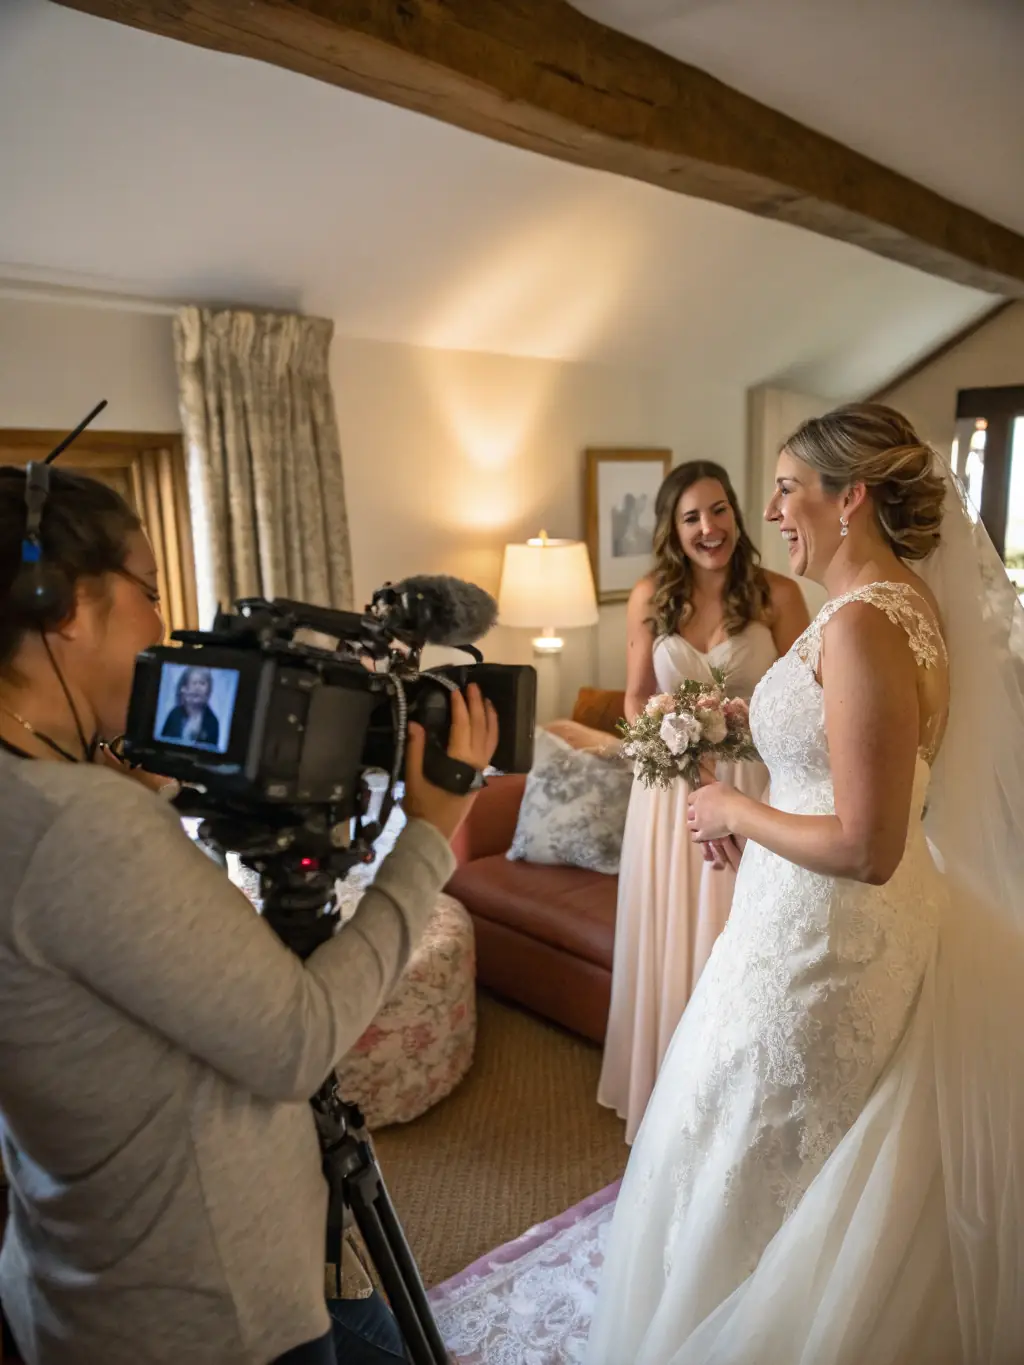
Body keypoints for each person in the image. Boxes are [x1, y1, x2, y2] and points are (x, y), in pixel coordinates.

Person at [0, 465, 498, 1365]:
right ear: (65, 605)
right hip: (199, 1301)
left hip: (80, 1263)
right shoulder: (82, 823)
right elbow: (300, 1039)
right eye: (148, 591)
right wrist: (430, 831)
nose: (162, 626)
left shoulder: (45, 790)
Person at [585, 404, 1024, 1364]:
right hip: (808, 921)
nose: (773, 509)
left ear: (849, 494)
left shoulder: (866, 622)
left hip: (829, 938)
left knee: (766, 1146)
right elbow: (857, 752)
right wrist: (753, 722)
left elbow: (871, 843)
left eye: (788, 486)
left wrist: (736, 812)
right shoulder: (886, 605)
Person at [597, 460, 808, 1142]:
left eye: (719, 510)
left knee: (742, 941)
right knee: (674, 936)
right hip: (671, 798)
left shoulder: (778, 594)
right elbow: (634, 697)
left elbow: (809, 701)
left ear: (737, 513)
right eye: (692, 517)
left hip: (755, 789)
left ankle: (739, 1107)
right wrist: (684, 766)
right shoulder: (651, 596)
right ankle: (671, 1104)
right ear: (673, 528)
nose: (709, 528)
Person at [160, 665, 220, 748]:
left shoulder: (212, 722)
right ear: (184, 688)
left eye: (202, 683)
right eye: (194, 683)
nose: (197, 688)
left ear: (209, 690)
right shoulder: (174, 715)